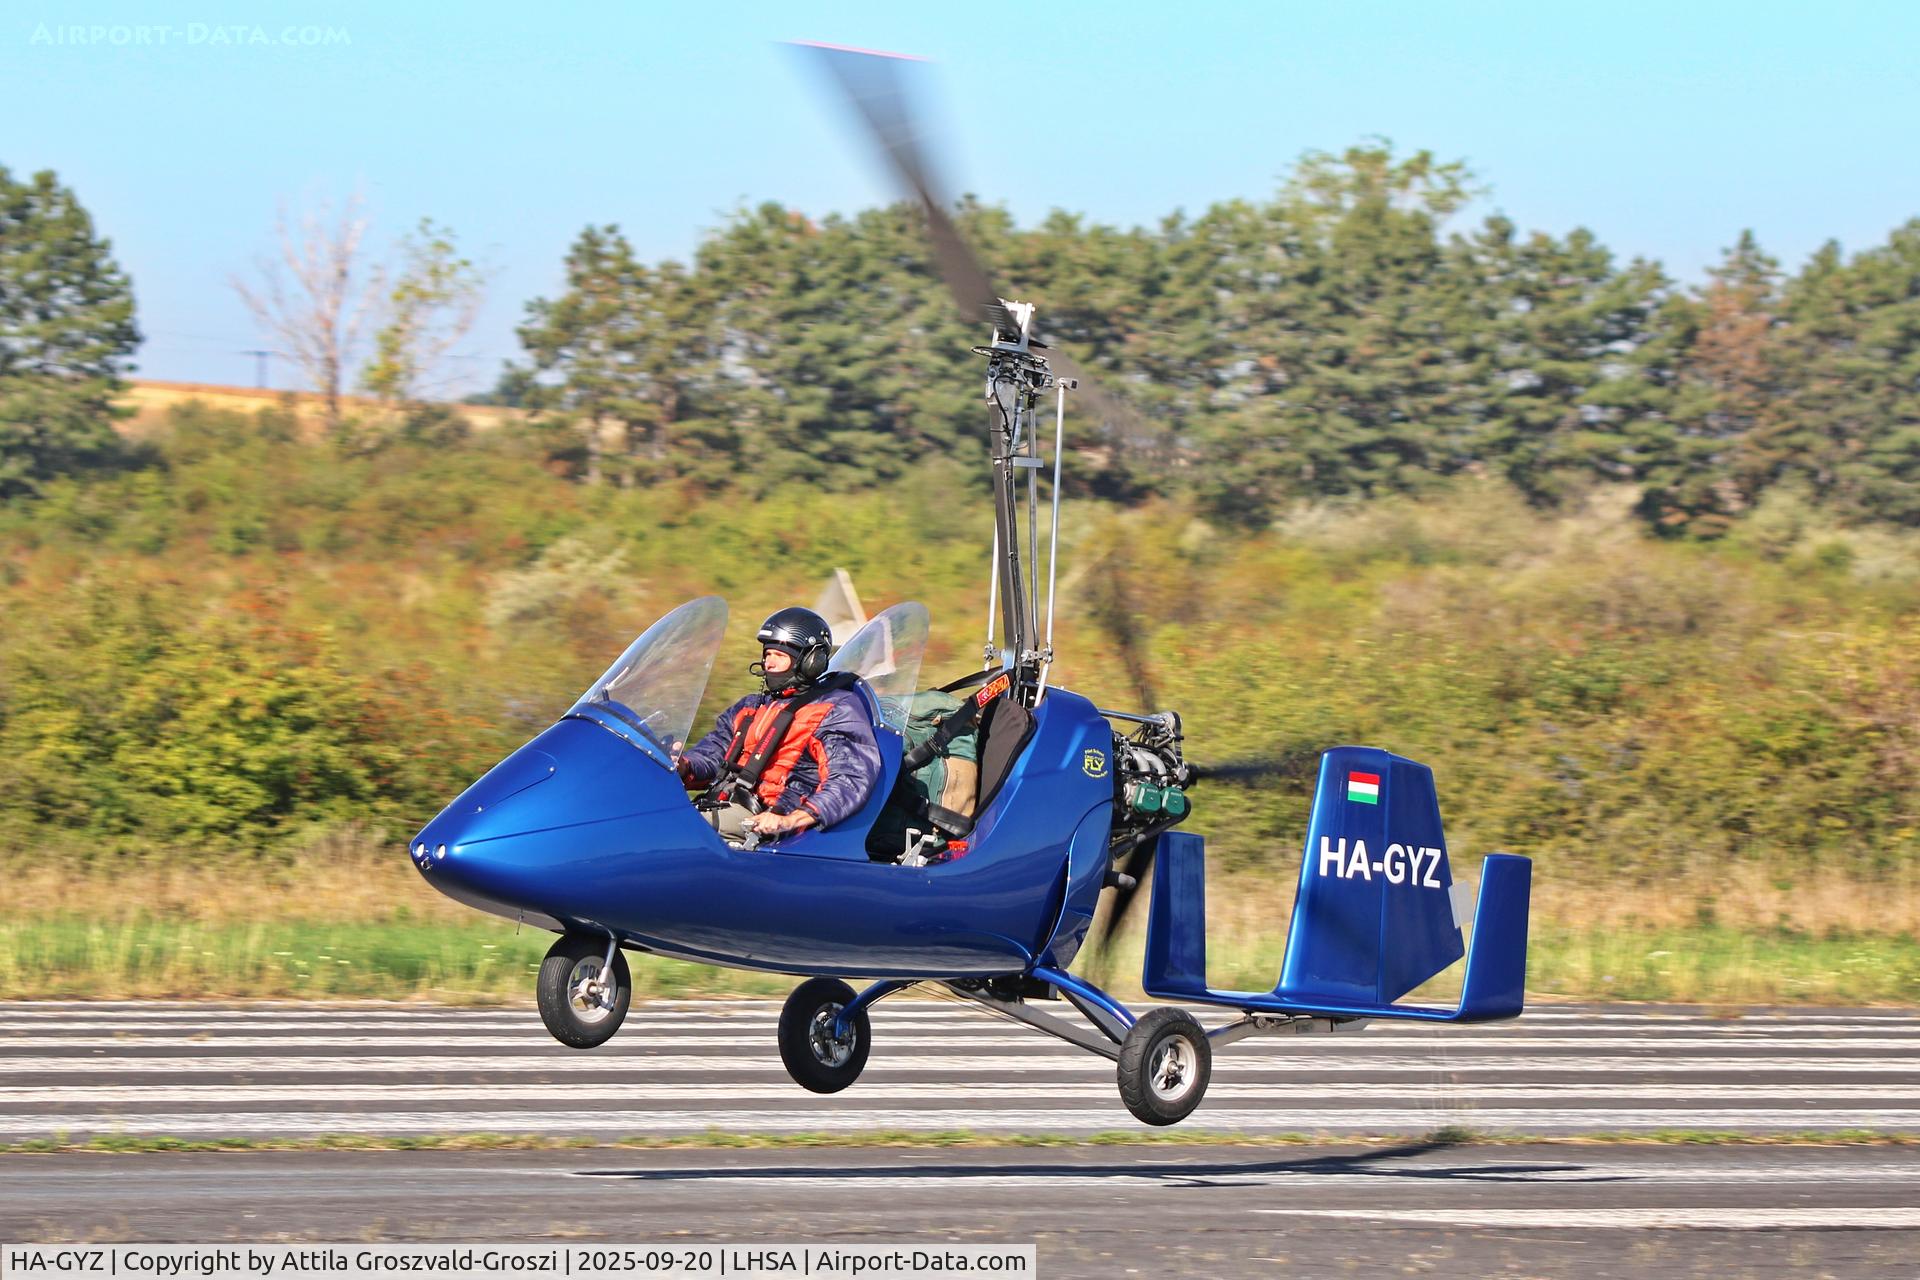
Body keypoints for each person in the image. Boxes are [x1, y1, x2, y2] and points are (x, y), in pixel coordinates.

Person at [677, 607, 882, 842]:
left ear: (810, 662)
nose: (769, 663)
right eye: (768, 654)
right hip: (720, 804)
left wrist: (791, 819)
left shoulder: (833, 709)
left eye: (779, 656)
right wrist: (684, 766)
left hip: (770, 818)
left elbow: (850, 778)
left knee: (675, 829)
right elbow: (713, 753)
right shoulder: (751, 707)